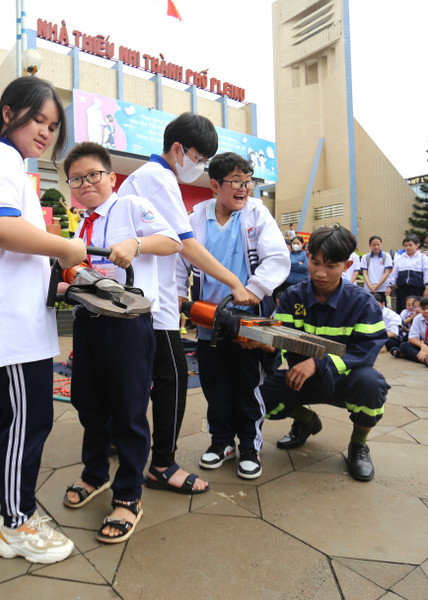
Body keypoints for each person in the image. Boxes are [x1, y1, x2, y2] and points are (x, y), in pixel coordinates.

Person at [0, 77, 86, 564]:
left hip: (1, 317)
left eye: (53, 125)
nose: (46, 132)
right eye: (38, 120)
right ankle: (17, 523)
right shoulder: (1, 158)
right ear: (8, 114)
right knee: (28, 417)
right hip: (12, 325)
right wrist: (65, 246)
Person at [117, 112, 258, 495]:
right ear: (177, 149)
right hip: (151, 302)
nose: (198, 167)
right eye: (198, 157)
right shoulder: (159, 178)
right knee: (173, 380)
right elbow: (187, 245)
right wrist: (234, 281)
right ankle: (162, 463)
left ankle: (123, 445)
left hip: (142, 296)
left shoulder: (145, 178)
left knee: (141, 379)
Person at [61, 141, 180, 543]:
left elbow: (173, 241)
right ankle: (94, 473)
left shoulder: (130, 206)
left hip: (128, 323)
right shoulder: (81, 226)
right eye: (76, 178)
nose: (85, 183)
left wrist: (137, 243)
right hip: (88, 322)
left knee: (129, 412)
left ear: (112, 177)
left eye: (93, 174)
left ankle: (128, 496)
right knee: (88, 403)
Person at [176, 152, 290, 480]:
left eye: (248, 181)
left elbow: (278, 258)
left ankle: (250, 448)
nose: (244, 188)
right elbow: (181, 260)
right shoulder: (196, 217)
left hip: (246, 320)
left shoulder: (257, 214)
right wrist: (181, 299)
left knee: (246, 384)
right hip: (208, 319)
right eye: (236, 181)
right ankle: (221, 442)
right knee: (214, 384)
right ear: (215, 185)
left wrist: (254, 289)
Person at [261, 225, 389, 482]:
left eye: (330, 266)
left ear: (347, 264)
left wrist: (318, 364)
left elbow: (365, 351)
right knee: (257, 392)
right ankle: (307, 420)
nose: (320, 273)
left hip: (345, 380)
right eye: (314, 262)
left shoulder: (362, 302)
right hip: (300, 379)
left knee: (372, 384)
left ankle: (358, 445)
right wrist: (263, 345)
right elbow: (281, 341)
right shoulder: (290, 297)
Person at [387, 234, 428, 313]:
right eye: (405, 245)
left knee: (417, 310)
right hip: (403, 290)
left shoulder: (423, 258)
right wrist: (389, 286)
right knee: (402, 310)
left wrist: (427, 287)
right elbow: (394, 274)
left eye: (410, 245)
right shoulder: (399, 258)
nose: (408, 247)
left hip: (418, 289)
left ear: (417, 245)